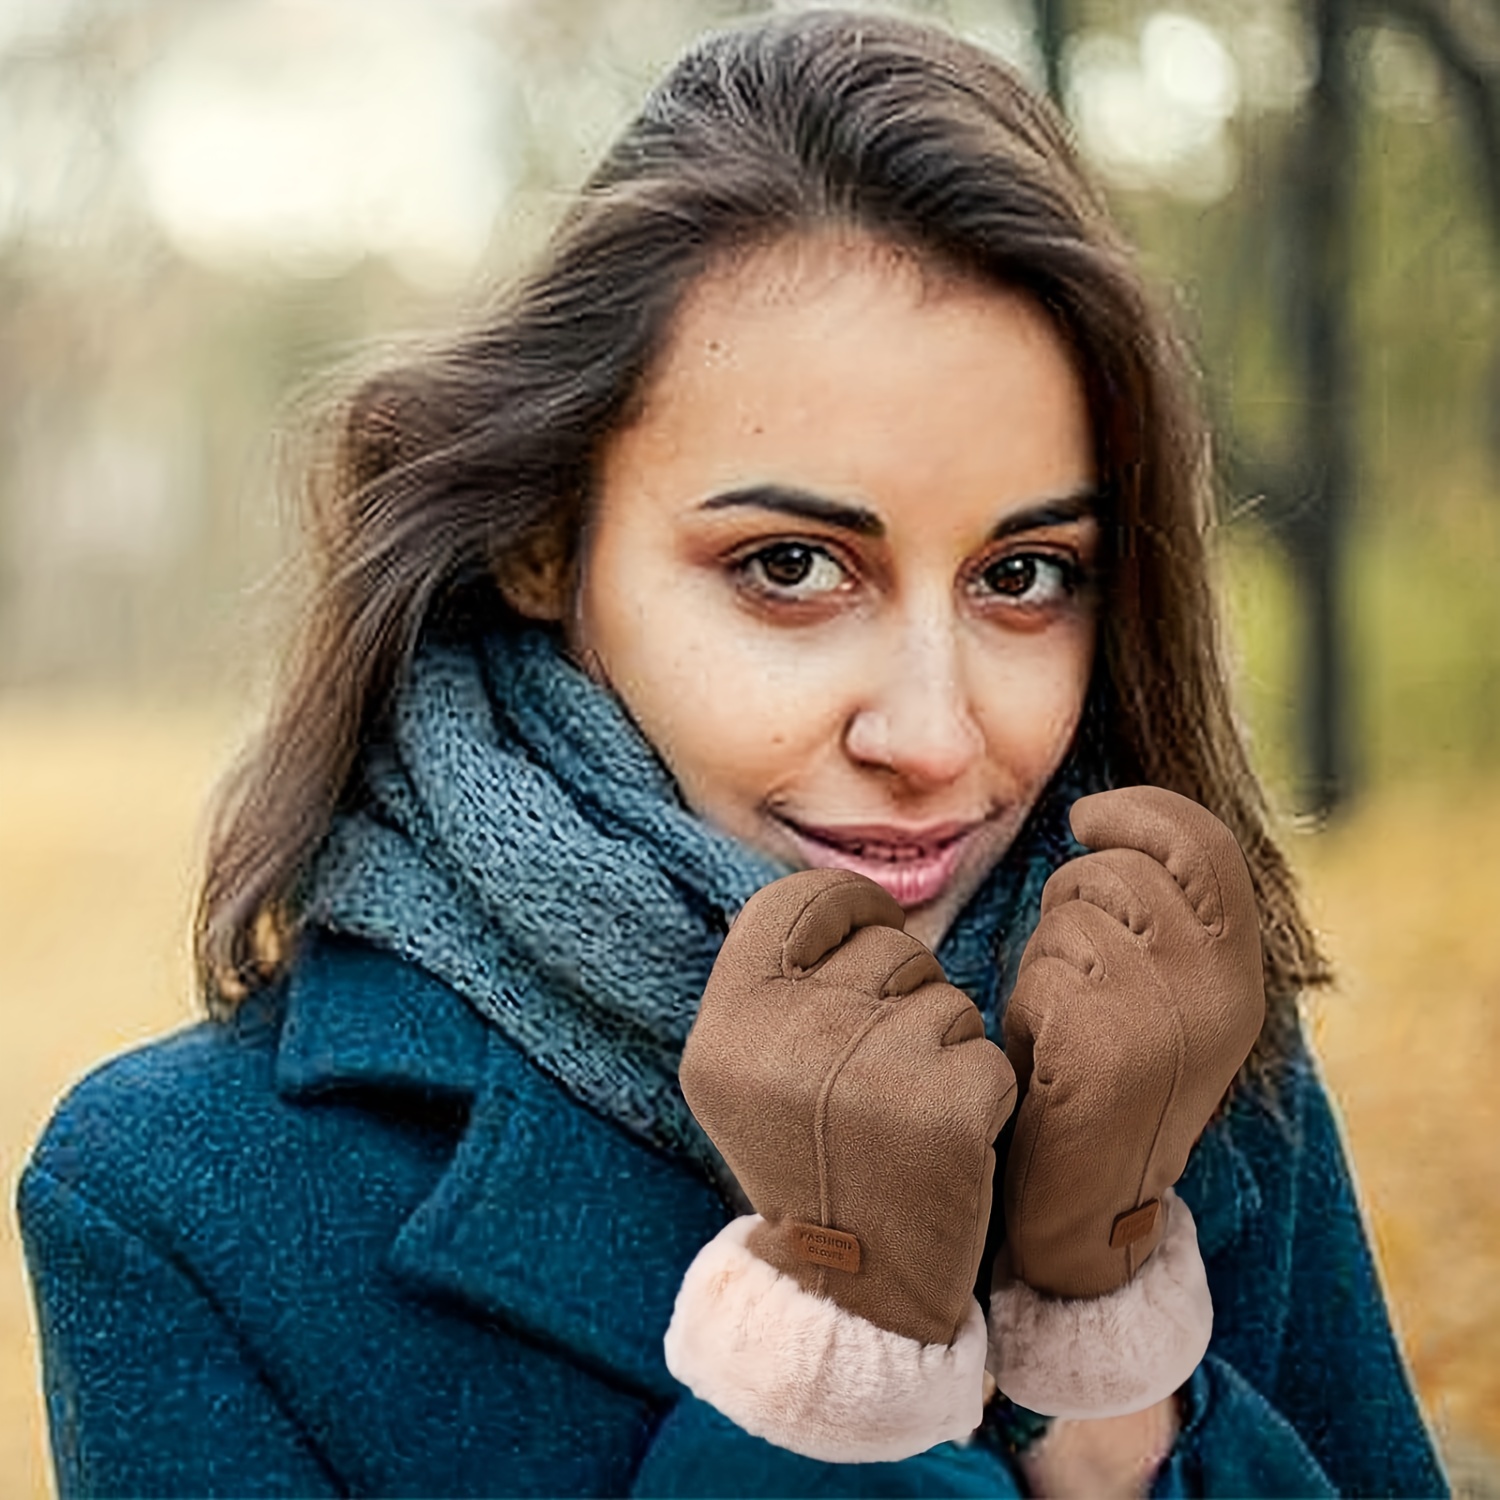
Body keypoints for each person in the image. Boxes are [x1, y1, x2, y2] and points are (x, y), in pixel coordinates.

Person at [17, 9, 1448, 1498]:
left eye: (1022, 577)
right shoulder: (179, 1195)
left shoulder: (1179, 1060)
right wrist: (836, 1354)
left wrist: (1097, 1352)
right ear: (541, 539)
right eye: (789, 567)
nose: (934, 733)